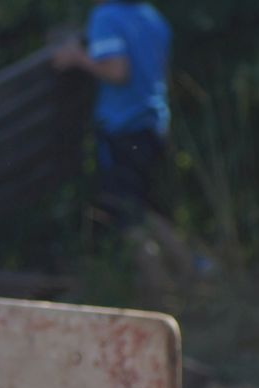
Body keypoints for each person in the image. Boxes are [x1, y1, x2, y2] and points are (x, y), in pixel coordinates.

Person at [53, 0, 172, 230]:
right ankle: (191, 256)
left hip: (123, 130)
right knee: (147, 211)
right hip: (155, 126)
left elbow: (117, 72)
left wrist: (77, 57)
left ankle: (159, 254)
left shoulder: (105, 17)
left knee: (126, 217)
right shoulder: (152, 16)